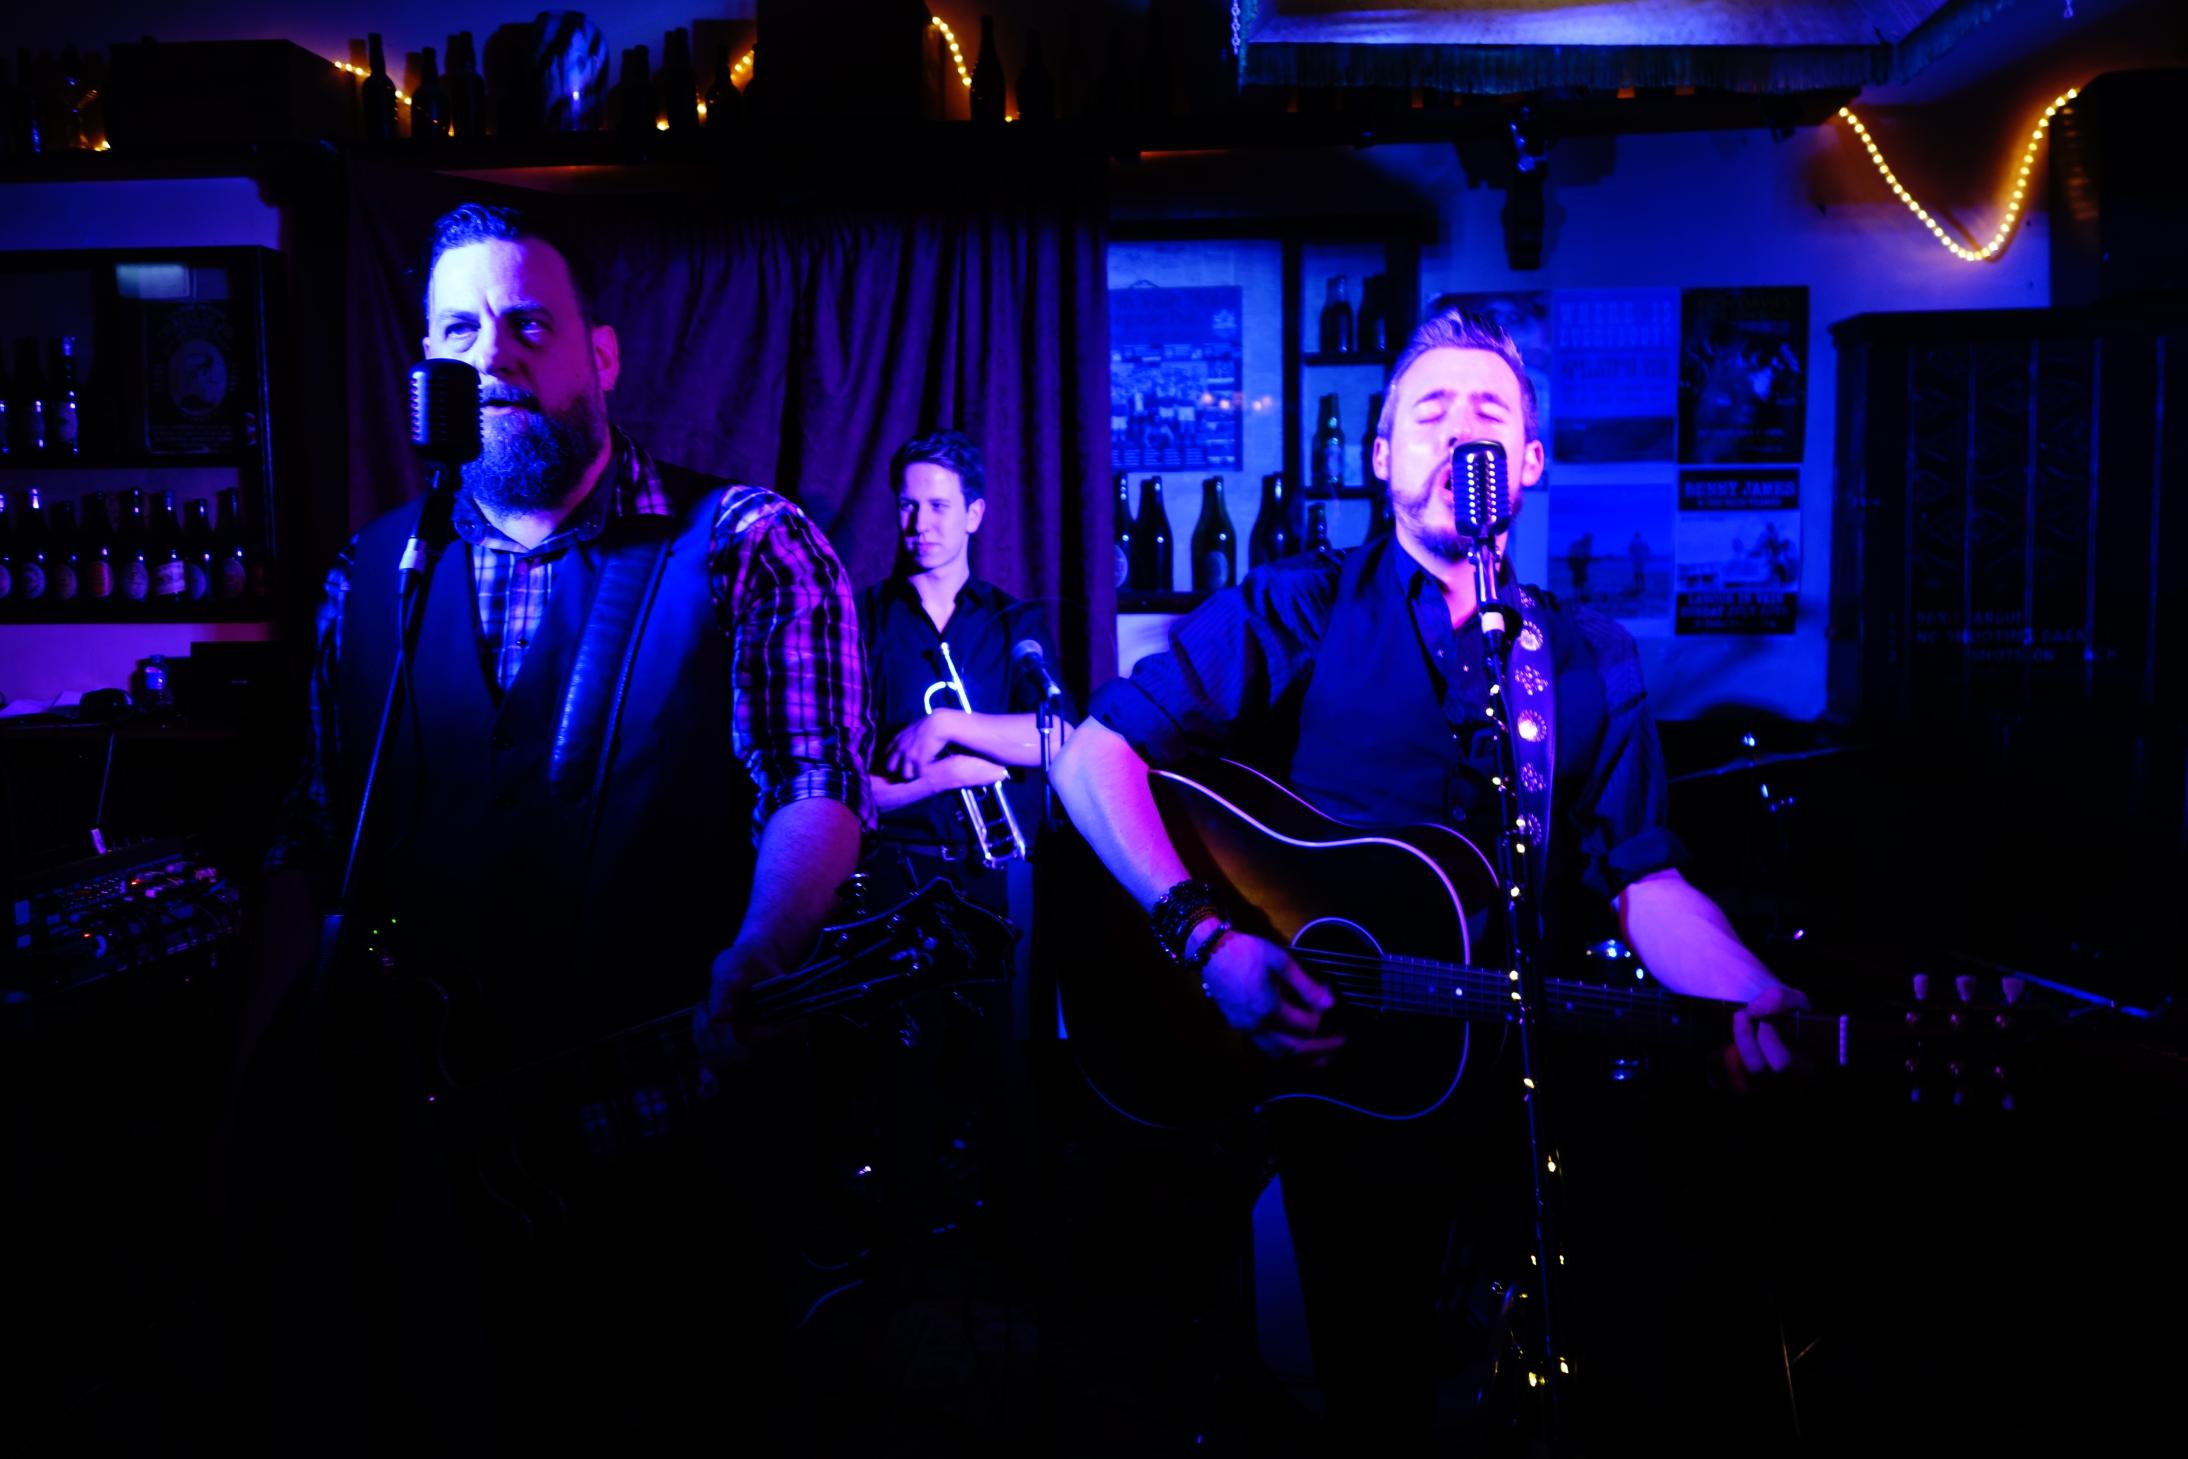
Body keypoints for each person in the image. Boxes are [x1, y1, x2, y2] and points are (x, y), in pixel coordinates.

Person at [1050, 306, 1808, 1449]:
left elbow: (1642, 878)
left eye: (1489, 411)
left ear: (1531, 461)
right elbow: (1092, 757)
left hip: (1528, 1085)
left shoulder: (1589, 655)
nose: (1461, 431)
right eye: (1430, 411)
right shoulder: (1296, 605)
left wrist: (1750, 992)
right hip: (1342, 1090)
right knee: (1375, 1413)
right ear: (1379, 453)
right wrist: (1206, 939)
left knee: (1617, 1380)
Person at [235, 201, 872, 1449]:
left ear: (602, 355)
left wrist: (766, 944)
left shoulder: (748, 545)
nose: (495, 354)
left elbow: (814, 782)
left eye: (530, 324)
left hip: (669, 1143)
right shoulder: (369, 577)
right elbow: (306, 841)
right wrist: (247, 1098)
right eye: (460, 330)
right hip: (427, 1166)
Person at [847, 429, 1068, 1262]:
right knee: (903, 1067)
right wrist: (948, 775)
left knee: (1007, 1064)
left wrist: (944, 726)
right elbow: (847, 786)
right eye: (907, 506)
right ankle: (906, 1260)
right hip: (898, 877)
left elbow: (1055, 737)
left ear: (974, 514)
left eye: (939, 506)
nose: (920, 523)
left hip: (995, 877)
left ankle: (1020, 1248)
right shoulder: (863, 618)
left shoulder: (1014, 621)